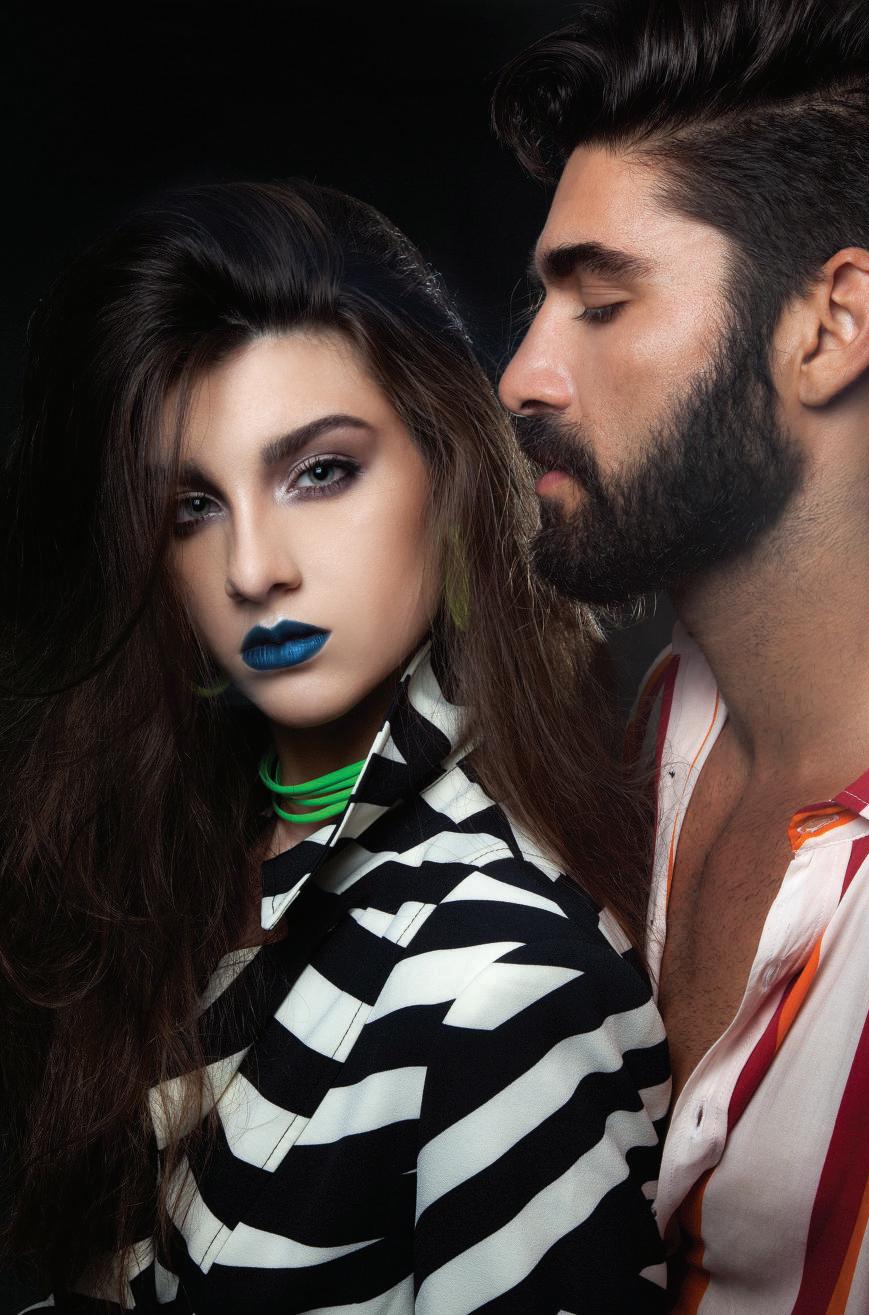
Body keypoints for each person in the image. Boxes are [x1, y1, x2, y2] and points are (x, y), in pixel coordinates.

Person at [0, 180, 669, 1313]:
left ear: (449, 472)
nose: (254, 568)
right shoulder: (181, 858)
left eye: (320, 471)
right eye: (193, 506)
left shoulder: (499, 979)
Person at [494, 1, 869, 1311]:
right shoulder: (665, 718)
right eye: (541, 301)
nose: (522, 375)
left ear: (827, 326)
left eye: (601, 303)